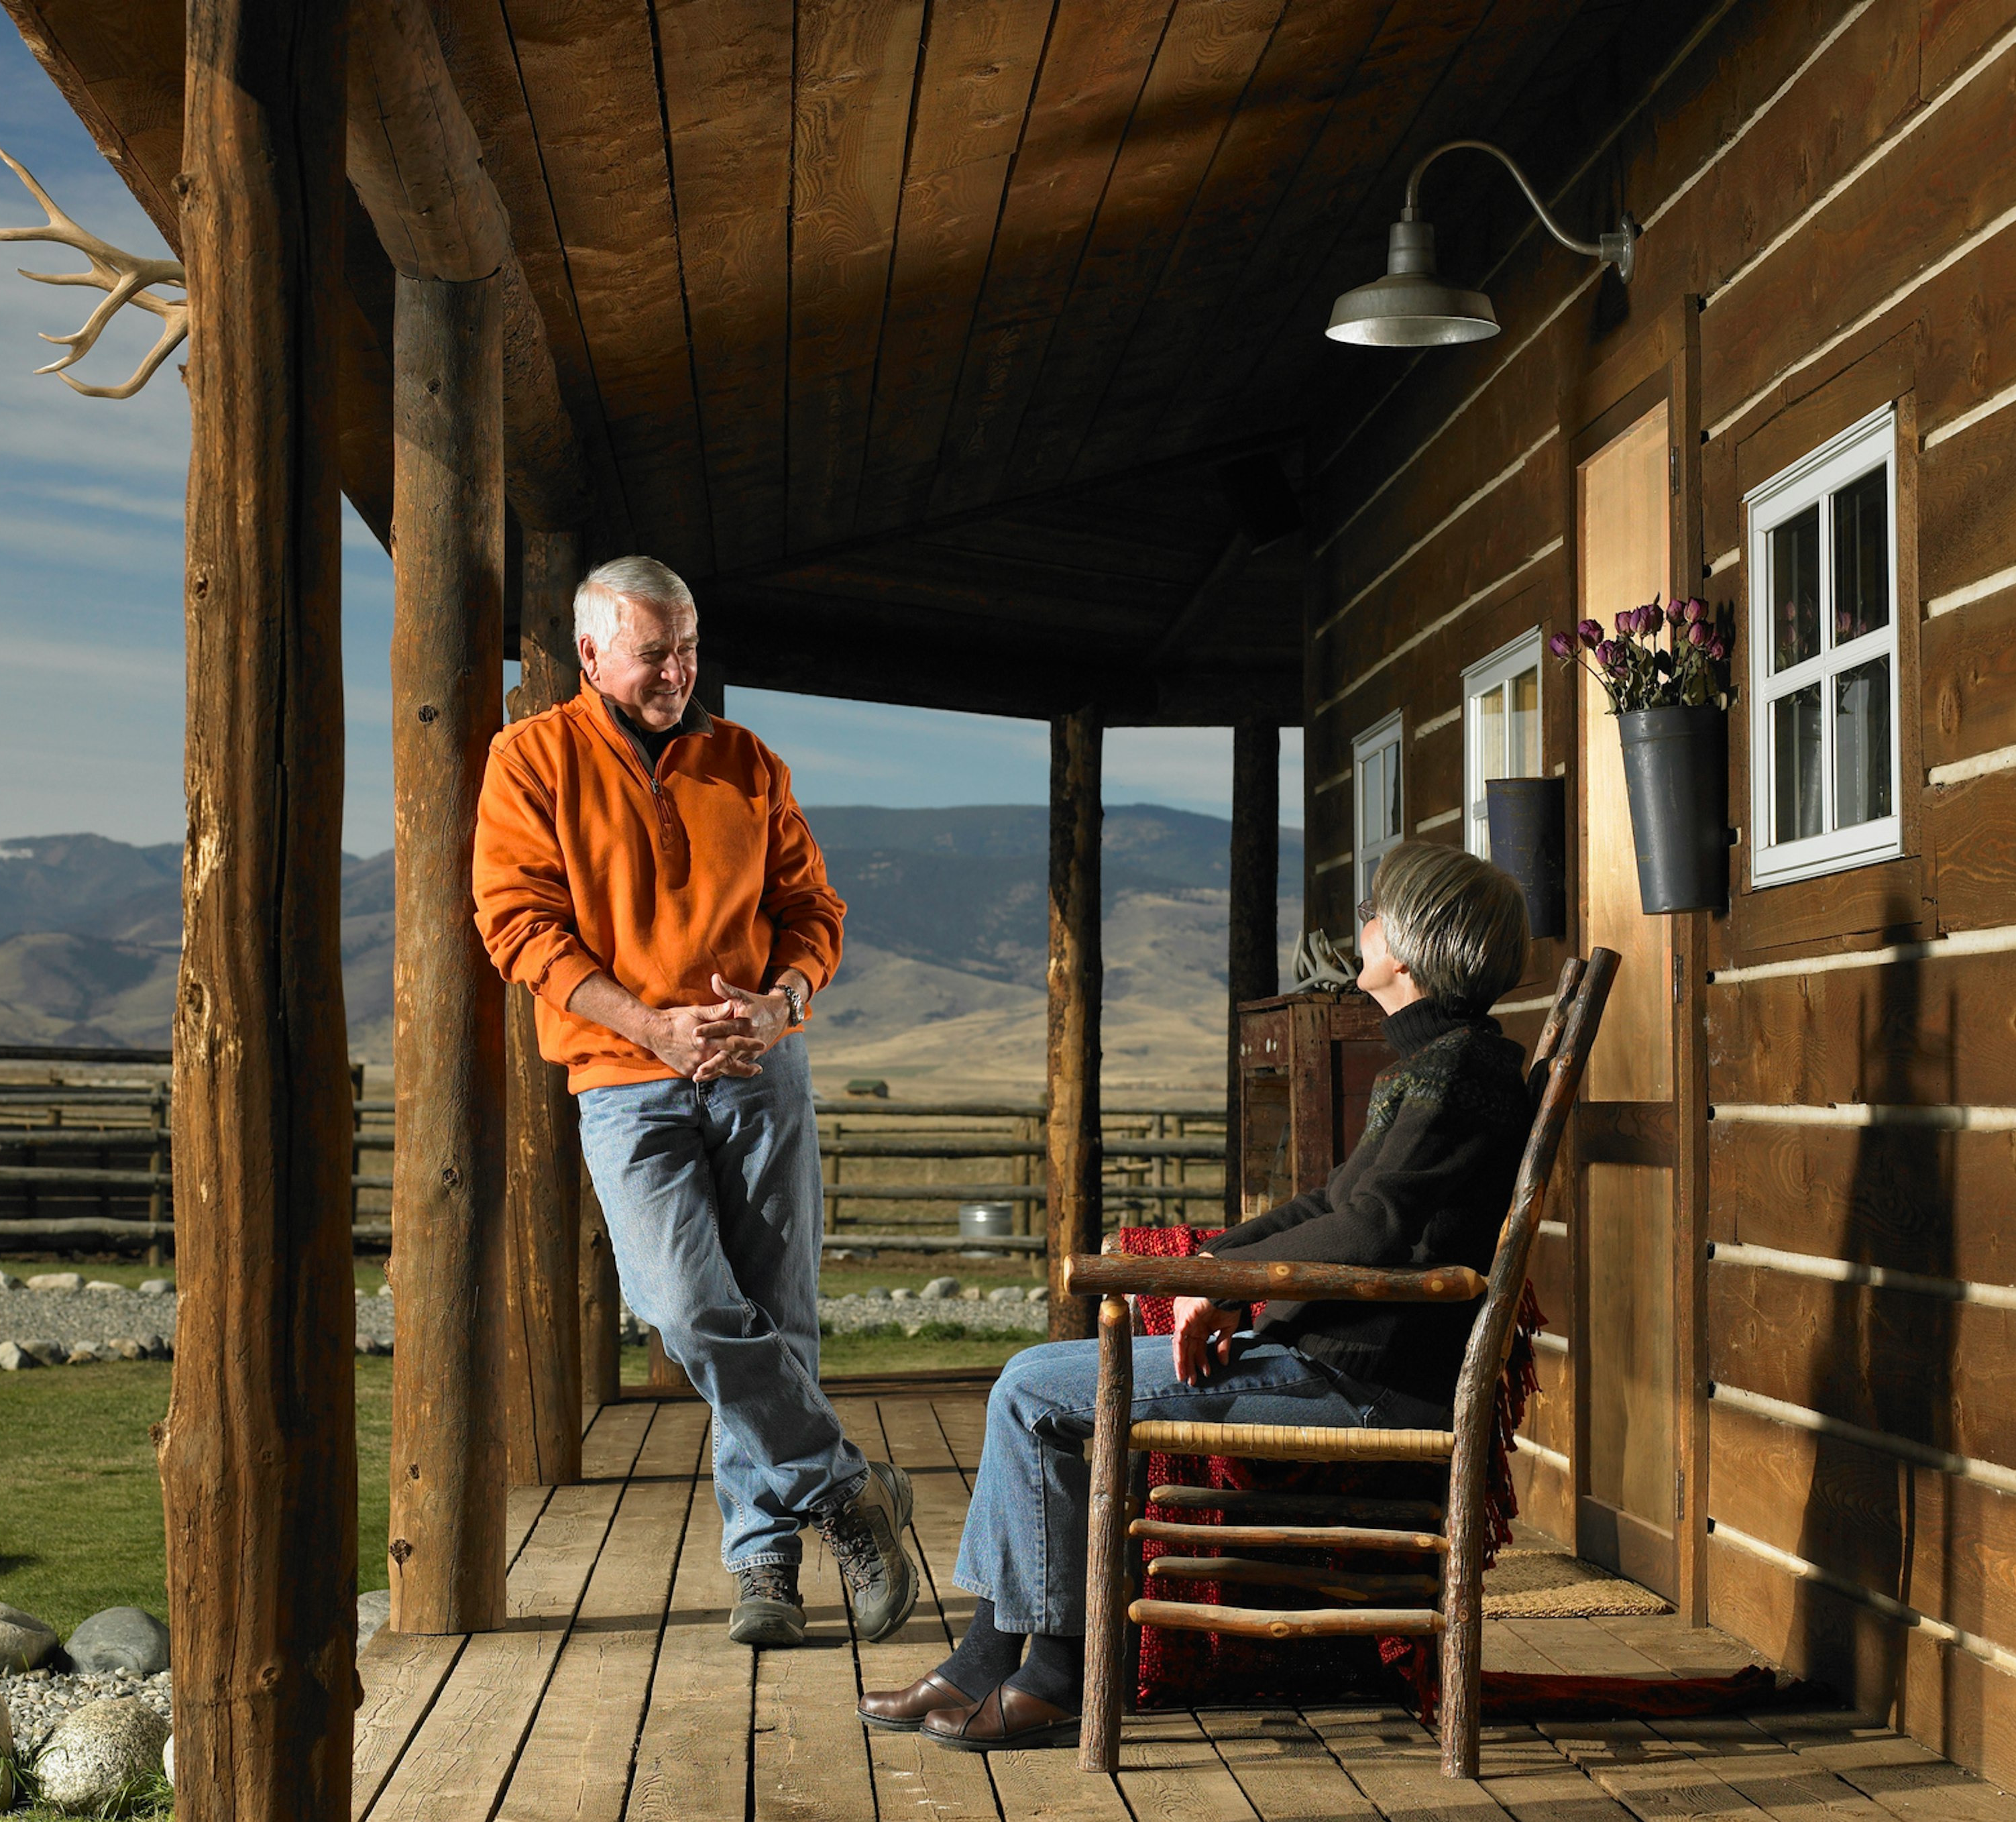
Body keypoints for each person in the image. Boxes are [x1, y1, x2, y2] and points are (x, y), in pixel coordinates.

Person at [860, 840, 1534, 1749]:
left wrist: (1223, 1294)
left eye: (1376, 912)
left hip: (1359, 1384)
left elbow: (1369, 1230)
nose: (1362, 925)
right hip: (1323, 1360)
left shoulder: (1457, 1076)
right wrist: (1206, 1271)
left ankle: (1043, 1670)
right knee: (1035, 1382)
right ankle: (998, 1657)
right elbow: (1329, 1206)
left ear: (1413, 947)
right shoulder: (1436, 1066)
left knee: (1030, 1391)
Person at [472, 554, 920, 1649]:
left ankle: (764, 1563)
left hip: (761, 1071)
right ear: (590, 653)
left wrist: (784, 1004)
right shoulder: (529, 761)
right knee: (684, 1310)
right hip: (627, 1081)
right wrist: (654, 1027)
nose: (679, 670)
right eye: (653, 651)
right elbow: (515, 923)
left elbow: (813, 908)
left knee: (780, 1313)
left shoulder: (746, 762)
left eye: (689, 648)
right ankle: (846, 1491)